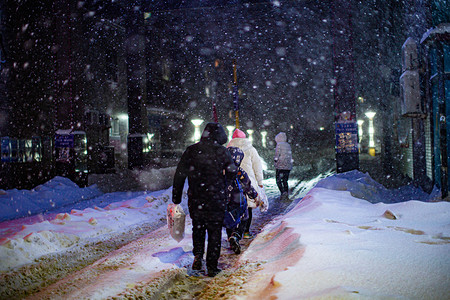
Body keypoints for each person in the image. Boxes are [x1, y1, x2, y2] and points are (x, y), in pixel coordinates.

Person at [172, 122, 237, 277]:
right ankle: (212, 266)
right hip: (216, 198)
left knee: (198, 228)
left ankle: (198, 256)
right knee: (214, 231)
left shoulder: (192, 150)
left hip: (197, 197)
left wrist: (176, 196)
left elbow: (180, 174)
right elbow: (232, 171)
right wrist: (224, 183)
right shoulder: (222, 151)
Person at [227, 128, 264, 239]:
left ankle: (233, 232)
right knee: (247, 207)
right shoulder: (251, 149)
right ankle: (246, 232)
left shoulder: (228, 149)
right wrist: (260, 181)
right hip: (247, 181)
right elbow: (257, 165)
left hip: (232, 180)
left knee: (233, 208)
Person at [224, 147, 259, 254]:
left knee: (229, 220)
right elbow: (247, 186)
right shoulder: (240, 172)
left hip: (224, 200)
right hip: (238, 200)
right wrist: (255, 196)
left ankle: (230, 236)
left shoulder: (221, 171)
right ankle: (236, 235)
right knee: (244, 217)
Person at [274, 132, 293, 200]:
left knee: (278, 180)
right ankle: (286, 192)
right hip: (287, 166)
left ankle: (282, 192)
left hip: (280, 166)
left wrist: (275, 161)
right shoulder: (288, 145)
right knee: (285, 180)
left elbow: (277, 154)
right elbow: (290, 155)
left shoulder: (279, 145)